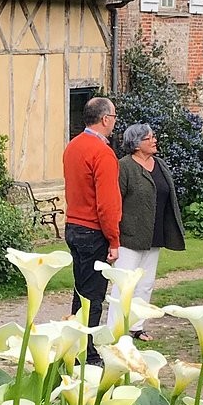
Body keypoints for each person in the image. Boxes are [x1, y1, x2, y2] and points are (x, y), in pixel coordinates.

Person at [114, 123, 185, 340]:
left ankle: (136, 327)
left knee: (145, 284)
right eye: (149, 138)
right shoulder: (124, 166)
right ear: (136, 144)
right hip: (129, 237)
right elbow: (116, 202)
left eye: (154, 136)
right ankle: (114, 331)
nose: (154, 140)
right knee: (123, 286)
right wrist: (114, 235)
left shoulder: (159, 164)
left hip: (155, 234)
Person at [61, 96, 122, 339]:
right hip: (93, 230)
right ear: (105, 119)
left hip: (73, 225)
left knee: (81, 290)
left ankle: (76, 343)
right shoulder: (102, 153)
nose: (114, 122)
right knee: (93, 295)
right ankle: (86, 350)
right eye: (114, 117)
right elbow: (107, 204)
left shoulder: (73, 146)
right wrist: (114, 240)